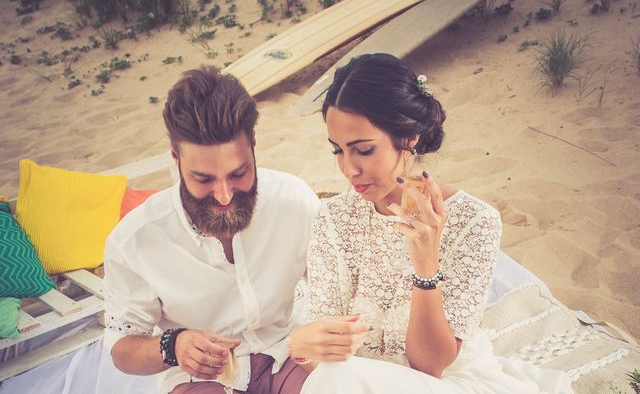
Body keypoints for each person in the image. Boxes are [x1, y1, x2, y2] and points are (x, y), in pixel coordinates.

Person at [287, 54, 574, 393]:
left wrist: (425, 263)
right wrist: (305, 345)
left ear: (408, 138)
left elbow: (431, 365)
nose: (349, 169)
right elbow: (326, 352)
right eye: (337, 151)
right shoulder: (333, 217)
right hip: (353, 380)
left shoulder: (475, 222)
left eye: (363, 150)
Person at [102, 67, 320, 394]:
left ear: (254, 146)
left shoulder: (294, 199)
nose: (224, 195)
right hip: (204, 380)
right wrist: (172, 346)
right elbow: (121, 345)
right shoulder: (135, 239)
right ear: (176, 159)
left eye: (238, 173)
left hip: (288, 354)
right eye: (203, 179)